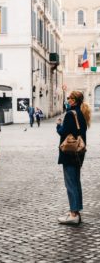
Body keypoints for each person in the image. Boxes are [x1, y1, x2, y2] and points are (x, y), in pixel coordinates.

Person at [56, 91, 91, 225]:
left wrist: (58, 125)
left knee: (70, 183)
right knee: (75, 182)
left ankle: (73, 214)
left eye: (69, 98)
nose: (67, 100)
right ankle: (76, 211)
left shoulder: (71, 114)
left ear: (74, 101)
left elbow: (64, 132)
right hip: (78, 153)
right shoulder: (81, 113)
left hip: (69, 153)